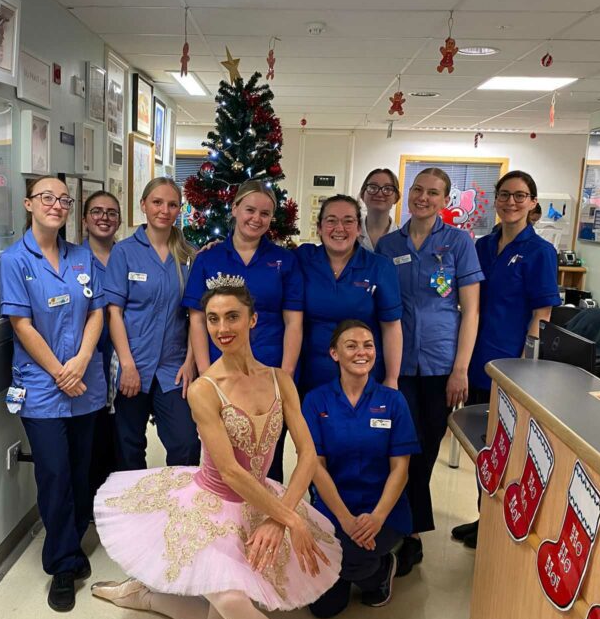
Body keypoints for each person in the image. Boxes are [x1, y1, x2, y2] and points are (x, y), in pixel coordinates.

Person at [92, 283, 341, 619]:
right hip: (211, 503)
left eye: (231, 317)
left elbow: (306, 453)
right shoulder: (205, 389)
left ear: (252, 320)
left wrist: (279, 518)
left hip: (262, 502)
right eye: (212, 319)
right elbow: (229, 471)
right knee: (230, 599)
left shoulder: (282, 381)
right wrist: (286, 517)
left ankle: (148, 596)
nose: (221, 328)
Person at [0, 176, 105, 612]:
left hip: (84, 381)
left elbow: (97, 311)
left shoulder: (82, 257)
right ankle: (62, 565)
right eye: (47, 197)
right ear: (29, 204)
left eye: (63, 199)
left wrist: (80, 362)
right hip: (43, 386)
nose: (56, 205)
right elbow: (21, 325)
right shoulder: (14, 260)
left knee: (82, 471)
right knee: (54, 473)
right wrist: (62, 372)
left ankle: (71, 543)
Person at [375, 167, 483, 574]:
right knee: (399, 447)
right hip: (396, 364)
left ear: (445, 199)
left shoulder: (457, 243)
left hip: (441, 363)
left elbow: (471, 310)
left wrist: (461, 369)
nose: (423, 197)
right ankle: (408, 533)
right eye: (418, 190)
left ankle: (411, 527)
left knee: (427, 449)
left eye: (433, 193)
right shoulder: (388, 245)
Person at [455, 170, 562, 549]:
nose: (511, 202)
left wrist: (523, 370)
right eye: (505, 195)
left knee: (507, 449)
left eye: (520, 196)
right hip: (477, 362)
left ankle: (500, 525)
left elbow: (541, 315)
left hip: (510, 366)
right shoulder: (482, 246)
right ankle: (483, 517)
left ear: (532, 202)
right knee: (484, 446)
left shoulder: (540, 252)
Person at [183, 180, 304, 483]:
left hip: (269, 370)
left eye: (265, 213)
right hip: (221, 373)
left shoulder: (285, 261)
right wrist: (205, 373)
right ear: (235, 209)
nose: (256, 218)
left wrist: (284, 376)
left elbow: (294, 322)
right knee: (220, 457)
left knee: (268, 459)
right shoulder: (209, 259)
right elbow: (197, 320)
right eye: (250, 209)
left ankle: (269, 522)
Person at [303, 320, 420, 617]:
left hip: (384, 511)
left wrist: (378, 517)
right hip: (334, 508)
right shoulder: (316, 401)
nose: (361, 352)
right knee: (324, 609)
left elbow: (401, 470)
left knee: (352, 557)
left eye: (368, 345)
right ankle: (347, 571)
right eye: (351, 345)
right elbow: (315, 467)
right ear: (334, 354)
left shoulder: (393, 401)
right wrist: (343, 518)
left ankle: (380, 572)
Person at [105, 177, 199, 471]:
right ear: (143, 205)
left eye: (172, 204)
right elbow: (114, 312)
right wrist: (127, 364)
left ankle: (176, 508)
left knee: (186, 443)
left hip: (173, 367)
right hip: (133, 364)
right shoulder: (125, 252)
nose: (164, 210)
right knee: (128, 447)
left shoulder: (188, 255)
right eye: (157, 202)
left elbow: (196, 315)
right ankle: (135, 513)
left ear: (179, 209)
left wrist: (190, 362)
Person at [296, 194, 403, 396]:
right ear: (319, 228)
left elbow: (392, 328)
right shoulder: (303, 259)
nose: (339, 228)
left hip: (364, 378)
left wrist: (392, 378)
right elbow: (269, 259)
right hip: (312, 378)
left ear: (359, 228)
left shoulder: (379, 267)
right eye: (331, 221)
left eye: (348, 221)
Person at [80, 190, 121, 498]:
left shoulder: (129, 256)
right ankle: (94, 498)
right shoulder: (73, 259)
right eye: (96, 211)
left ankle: (117, 498)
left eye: (111, 212)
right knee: (93, 433)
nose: (104, 218)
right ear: (84, 220)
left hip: (124, 356)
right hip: (88, 357)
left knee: (121, 432)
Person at [358, 168, 401, 250]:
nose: (379, 193)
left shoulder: (404, 239)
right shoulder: (349, 232)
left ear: (396, 197)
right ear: (363, 194)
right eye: (373, 187)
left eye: (388, 189)